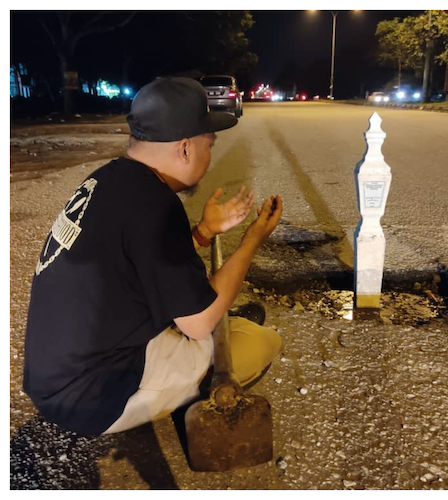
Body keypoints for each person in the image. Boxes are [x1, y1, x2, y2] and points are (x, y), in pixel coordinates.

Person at [23, 77, 284, 436]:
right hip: (93, 397)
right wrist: (253, 238)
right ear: (186, 149)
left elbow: (136, 263)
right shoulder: (154, 205)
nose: (209, 156)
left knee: (225, 317)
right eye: (210, 145)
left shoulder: (108, 181)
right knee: (260, 341)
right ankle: (187, 391)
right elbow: (199, 322)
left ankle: (231, 325)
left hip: (56, 380)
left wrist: (203, 233)